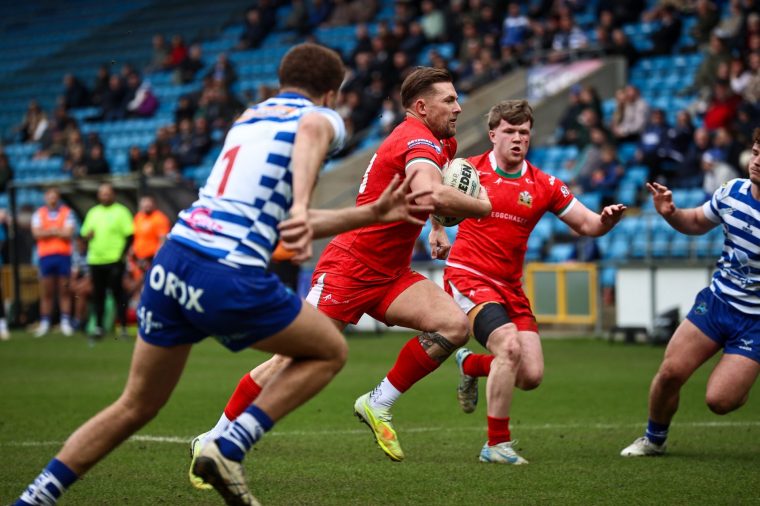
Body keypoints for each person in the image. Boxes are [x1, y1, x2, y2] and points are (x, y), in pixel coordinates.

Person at [13, 43, 435, 506]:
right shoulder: (321, 116)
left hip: (173, 259)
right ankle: (228, 446)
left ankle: (35, 498)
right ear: (331, 92)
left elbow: (290, 222)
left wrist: (370, 213)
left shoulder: (249, 119)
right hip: (225, 271)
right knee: (329, 351)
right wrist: (299, 200)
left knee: (135, 406)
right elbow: (313, 132)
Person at [188, 67, 492, 476]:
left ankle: (378, 403)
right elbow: (431, 190)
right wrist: (484, 207)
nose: (459, 107)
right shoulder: (414, 139)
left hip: (391, 273)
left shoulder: (443, 140)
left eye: (457, 99)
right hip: (349, 268)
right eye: (449, 100)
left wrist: (437, 227)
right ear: (421, 107)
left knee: (454, 326)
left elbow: (434, 188)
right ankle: (212, 438)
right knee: (288, 361)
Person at [443, 100, 625, 464]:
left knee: (530, 375)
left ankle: (470, 365)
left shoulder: (544, 184)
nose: (517, 138)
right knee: (508, 347)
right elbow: (434, 198)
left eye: (523, 132)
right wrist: (435, 229)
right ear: (493, 134)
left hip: (510, 287)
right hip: (469, 275)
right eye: (509, 131)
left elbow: (588, 225)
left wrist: (606, 220)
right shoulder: (468, 170)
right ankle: (495, 445)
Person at [621, 128, 760, 458]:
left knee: (720, 401)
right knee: (670, 373)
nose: (757, 161)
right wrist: (671, 213)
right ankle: (654, 439)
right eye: (756, 152)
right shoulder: (732, 193)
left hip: (755, 322)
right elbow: (696, 221)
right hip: (716, 304)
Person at [80, 183, 134, 340]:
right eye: (102, 193)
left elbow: (129, 235)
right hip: (96, 259)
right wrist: (87, 236)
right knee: (98, 294)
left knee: (118, 294)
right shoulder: (93, 212)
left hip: (115, 259)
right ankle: (98, 327)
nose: (104, 196)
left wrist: (122, 255)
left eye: (107, 193)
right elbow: (85, 233)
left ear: (113, 195)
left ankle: (123, 327)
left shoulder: (121, 211)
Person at [31, 188, 76, 337]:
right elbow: (36, 233)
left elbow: (68, 233)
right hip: (46, 257)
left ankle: (65, 322)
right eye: (50, 197)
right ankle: (45, 322)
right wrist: (56, 231)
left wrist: (48, 231)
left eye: (55, 197)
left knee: (64, 290)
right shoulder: (39, 213)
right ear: (46, 198)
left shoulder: (67, 212)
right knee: (47, 291)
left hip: (63, 256)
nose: (52, 200)